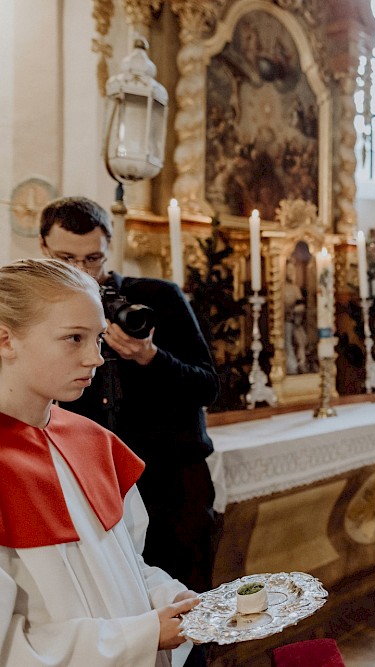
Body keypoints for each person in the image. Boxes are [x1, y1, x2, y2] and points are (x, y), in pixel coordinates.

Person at [39, 197, 220, 665]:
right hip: (97, 488)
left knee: (191, 614)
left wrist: (150, 358)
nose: (83, 269)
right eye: (66, 259)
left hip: (173, 486)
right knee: (119, 607)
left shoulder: (157, 297)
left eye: (94, 258)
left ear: (110, 248)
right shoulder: (43, 313)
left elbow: (209, 385)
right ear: (42, 248)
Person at [0, 258, 200, 666]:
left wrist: (169, 598)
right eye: (74, 338)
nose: (95, 358)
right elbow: (9, 647)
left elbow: (127, 565)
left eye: (98, 338)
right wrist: (141, 636)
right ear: (5, 340)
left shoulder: (93, 441)